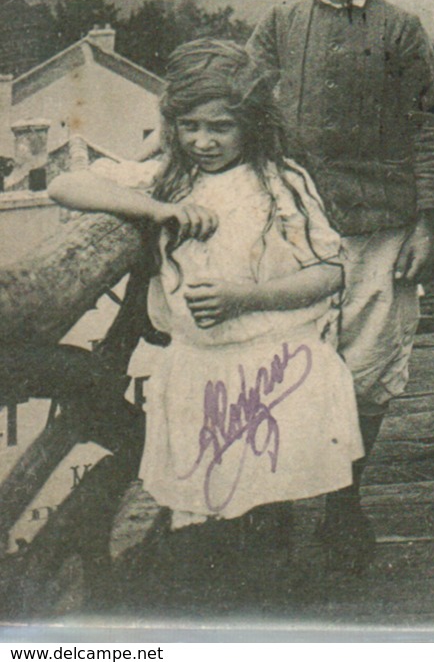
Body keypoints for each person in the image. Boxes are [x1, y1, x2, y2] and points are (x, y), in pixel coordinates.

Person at [48, 40, 362, 535]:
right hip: (198, 364)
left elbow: (330, 271)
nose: (203, 141)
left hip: (269, 364)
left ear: (253, 125)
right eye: (189, 127)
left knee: (264, 501)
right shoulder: (169, 179)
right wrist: (157, 210)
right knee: (206, 503)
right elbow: (64, 186)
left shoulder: (278, 182)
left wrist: (244, 298)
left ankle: (268, 580)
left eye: (221, 127)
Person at [248, 0, 434, 573]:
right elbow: (241, 102)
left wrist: (425, 222)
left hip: (378, 230)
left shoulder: (400, 31)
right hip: (295, 229)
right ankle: (271, 508)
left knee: (363, 371)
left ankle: (342, 507)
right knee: (281, 362)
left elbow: (427, 126)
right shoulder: (279, 24)